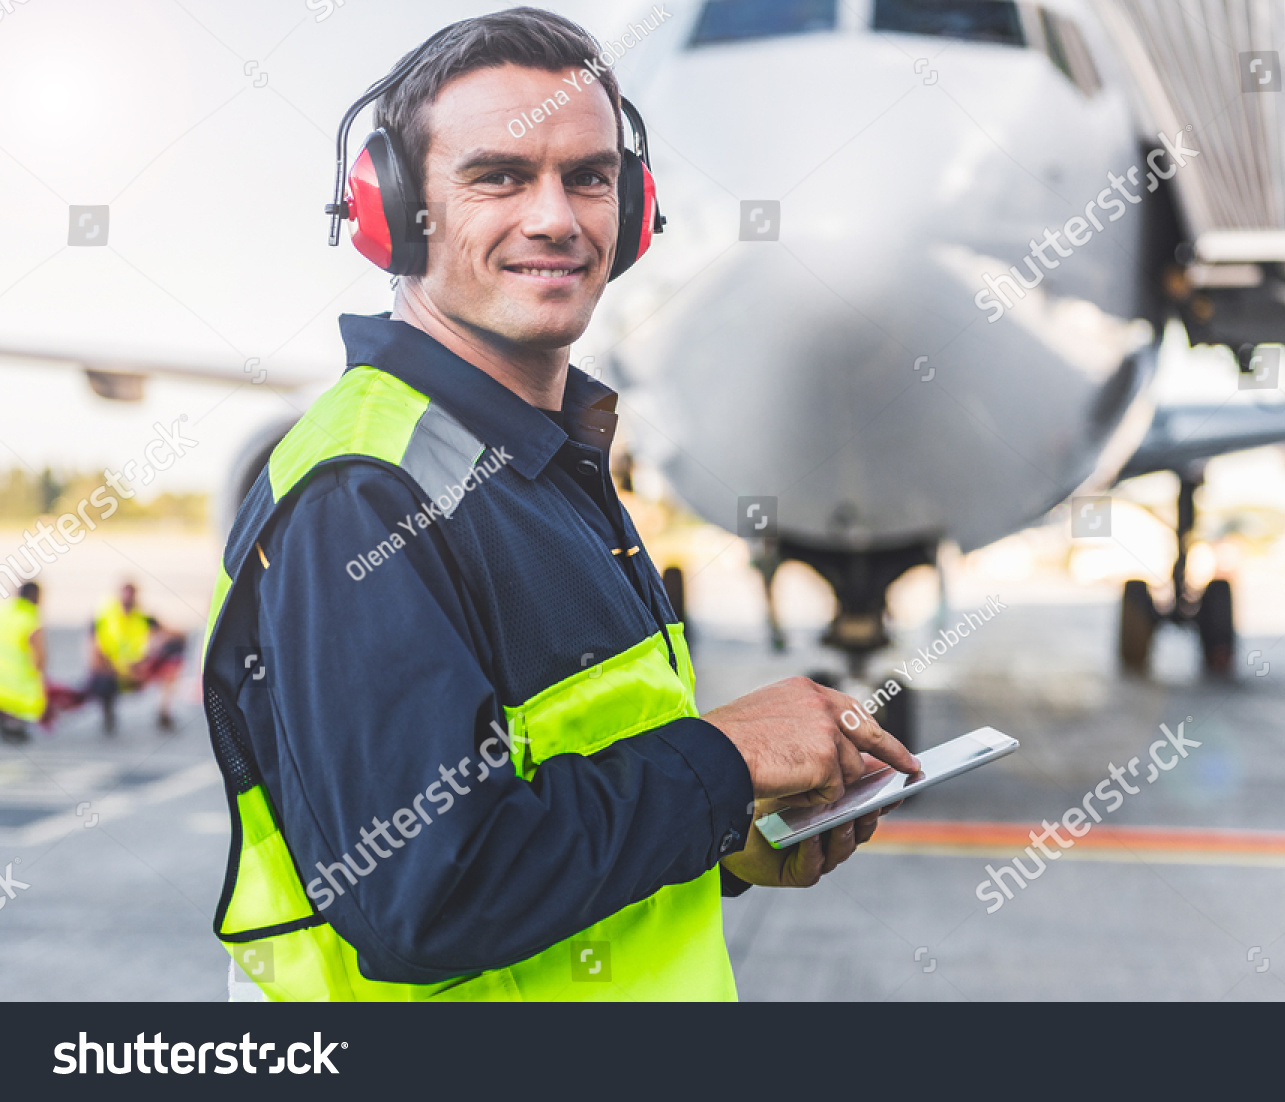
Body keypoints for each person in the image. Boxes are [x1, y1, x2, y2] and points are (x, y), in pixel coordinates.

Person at [200, 9, 919, 1002]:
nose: (556, 217)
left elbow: (548, 816)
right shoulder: (365, 494)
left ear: (633, 212)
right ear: (392, 211)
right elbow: (427, 894)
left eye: (589, 177)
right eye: (498, 176)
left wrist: (725, 836)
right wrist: (726, 756)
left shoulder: (544, 465)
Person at [88, 582, 186, 734]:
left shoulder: (144, 618)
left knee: (174, 654)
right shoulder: (103, 619)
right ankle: (108, 713)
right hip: (114, 671)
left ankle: (163, 711)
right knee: (100, 681)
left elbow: (177, 634)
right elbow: (94, 655)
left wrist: (159, 642)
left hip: (140, 667)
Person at [0, 582, 46, 745]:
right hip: (16, 686)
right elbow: (40, 656)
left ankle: (8, 721)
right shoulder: (30, 617)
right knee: (30, 696)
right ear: (34, 596)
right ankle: (16, 725)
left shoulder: (5, 612)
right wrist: (38, 677)